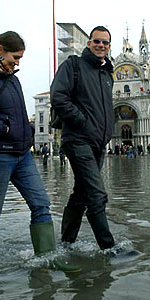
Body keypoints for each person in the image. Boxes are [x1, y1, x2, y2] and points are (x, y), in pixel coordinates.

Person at [0, 31, 79, 272]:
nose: (18, 62)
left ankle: (47, 258)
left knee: (41, 203)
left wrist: (29, 130)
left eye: (21, 58)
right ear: (0, 49)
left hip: (22, 154)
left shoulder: (12, 78)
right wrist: (2, 127)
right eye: (15, 57)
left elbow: (16, 114)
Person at [50, 26, 116, 251]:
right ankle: (109, 249)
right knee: (97, 194)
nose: (101, 45)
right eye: (96, 41)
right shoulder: (73, 65)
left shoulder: (107, 73)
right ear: (89, 43)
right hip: (78, 139)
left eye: (105, 43)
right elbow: (58, 96)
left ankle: (66, 243)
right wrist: (82, 122)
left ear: (109, 47)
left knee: (82, 193)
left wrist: (108, 133)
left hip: (99, 143)